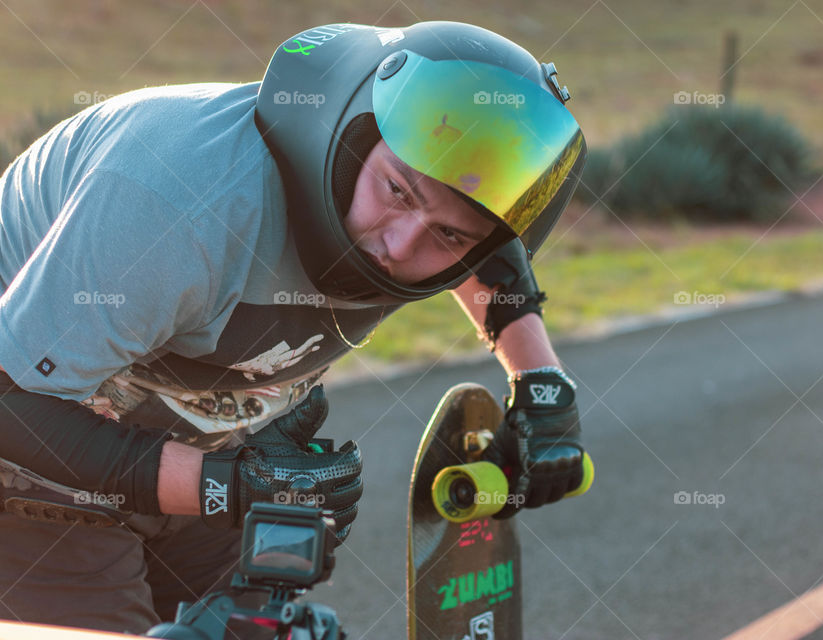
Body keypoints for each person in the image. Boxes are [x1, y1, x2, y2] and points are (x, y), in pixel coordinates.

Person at [0, 20, 588, 635]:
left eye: (446, 236)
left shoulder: (428, 219)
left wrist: (543, 384)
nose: (395, 243)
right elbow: (12, 405)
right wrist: (226, 487)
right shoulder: (181, 198)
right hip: (33, 441)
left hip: (191, 439)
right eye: (397, 191)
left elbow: (489, 249)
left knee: (257, 625)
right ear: (354, 132)